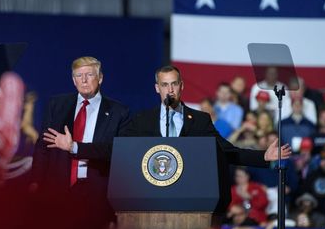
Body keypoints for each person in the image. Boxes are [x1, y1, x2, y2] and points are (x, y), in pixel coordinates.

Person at [120, 65, 291, 167]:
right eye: (164, 85)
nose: (170, 90)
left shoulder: (200, 120)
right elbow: (124, 151)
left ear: (182, 86)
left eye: (174, 84)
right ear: (157, 88)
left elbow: (227, 151)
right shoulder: (142, 120)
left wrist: (262, 156)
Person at [31, 57, 130, 220]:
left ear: (100, 78)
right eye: (79, 75)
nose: (84, 80)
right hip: (57, 192)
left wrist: (74, 147)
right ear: (73, 80)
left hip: (96, 194)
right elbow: (42, 148)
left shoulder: (118, 112)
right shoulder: (57, 105)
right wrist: (35, 183)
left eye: (89, 75)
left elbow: (115, 151)